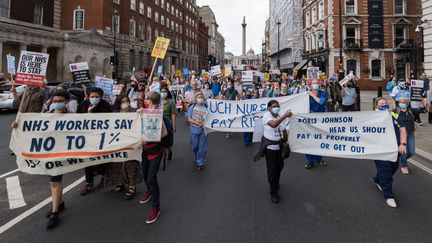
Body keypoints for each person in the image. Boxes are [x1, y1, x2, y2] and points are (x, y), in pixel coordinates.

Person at [104, 95, 143, 200]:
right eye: (122, 101)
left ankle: (132, 186)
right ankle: (119, 182)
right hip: (118, 143)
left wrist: (141, 114)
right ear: (118, 103)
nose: (125, 103)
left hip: (131, 143)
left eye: (127, 101)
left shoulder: (134, 112)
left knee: (131, 164)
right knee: (117, 164)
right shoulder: (114, 114)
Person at [138, 91, 168, 224]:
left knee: (151, 178)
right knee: (145, 174)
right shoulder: (143, 112)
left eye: (146, 99)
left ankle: (156, 208)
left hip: (155, 150)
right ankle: (149, 191)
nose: (144, 100)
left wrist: (149, 139)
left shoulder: (158, 114)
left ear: (149, 101)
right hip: (144, 150)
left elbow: (165, 133)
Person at [43, 90, 71, 229]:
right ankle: (59, 203)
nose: (57, 103)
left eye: (60, 101)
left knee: (55, 181)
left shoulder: (73, 117)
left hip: (63, 153)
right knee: (53, 181)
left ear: (66, 102)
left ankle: (55, 214)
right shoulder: (47, 116)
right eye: (55, 101)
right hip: (50, 153)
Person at [78, 87, 113, 196]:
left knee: (102, 159)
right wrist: (88, 115)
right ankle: (89, 182)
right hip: (87, 138)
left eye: (97, 97)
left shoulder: (106, 106)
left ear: (101, 97)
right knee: (87, 161)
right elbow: (76, 120)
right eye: (92, 97)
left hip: (101, 138)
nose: (94, 98)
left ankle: (103, 176)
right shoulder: (83, 105)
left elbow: (111, 121)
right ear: (88, 97)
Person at [373, 97, 407, 207]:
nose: (384, 105)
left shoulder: (394, 115)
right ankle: (389, 196)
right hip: (380, 150)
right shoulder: (372, 117)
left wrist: (403, 144)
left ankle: (378, 179)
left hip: (394, 149)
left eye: (385, 103)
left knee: (393, 167)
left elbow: (402, 129)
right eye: (381, 104)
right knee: (386, 172)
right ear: (376, 106)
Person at [261, 100, 292, 203]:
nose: (276, 107)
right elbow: (274, 125)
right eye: (274, 106)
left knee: (280, 167)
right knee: (272, 170)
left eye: (278, 106)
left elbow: (283, 130)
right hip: (269, 148)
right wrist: (285, 116)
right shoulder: (266, 116)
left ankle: (274, 181)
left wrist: (285, 137)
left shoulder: (279, 116)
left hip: (279, 147)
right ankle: (273, 192)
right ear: (269, 108)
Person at [305, 79, 328, 169]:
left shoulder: (323, 93)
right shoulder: (306, 94)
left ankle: (319, 158)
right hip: (310, 120)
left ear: (319, 84)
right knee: (310, 140)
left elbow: (321, 102)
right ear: (310, 85)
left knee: (319, 139)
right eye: (313, 83)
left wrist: (311, 95)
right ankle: (310, 160)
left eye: (316, 83)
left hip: (320, 120)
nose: (315, 84)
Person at [186, 92, 209, 170]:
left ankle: (200, 162)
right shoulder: (192, 107)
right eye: (199, 97)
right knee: (195, 146)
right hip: (195, 129)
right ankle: (196, 155)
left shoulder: (206, 106)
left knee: (202, 146)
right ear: (196, 99)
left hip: (204, 129)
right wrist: (197, 123)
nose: (200, 99)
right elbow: (189, 119)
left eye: (202, 97)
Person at [395, 97, 416, 175]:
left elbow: (414, 120)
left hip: (410, 133)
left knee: (412, 152)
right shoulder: (396, 111)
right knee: (404, 152)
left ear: (407, 103)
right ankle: (404, 166)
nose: (402, 104)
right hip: (401, 134)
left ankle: (402, 159)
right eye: (400, 102)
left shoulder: (410, 111)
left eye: (403, 102)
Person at [160, 85, 177, 161]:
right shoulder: (157, 101)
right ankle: (161, 152)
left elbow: (173, 114)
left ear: (167, 92)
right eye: (162, 92)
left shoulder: (171, 101)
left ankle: (169, 151)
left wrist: (174, 126)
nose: (163, 93)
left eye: (165, 92)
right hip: (158, 121)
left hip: (167, 121)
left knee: (167, 140)